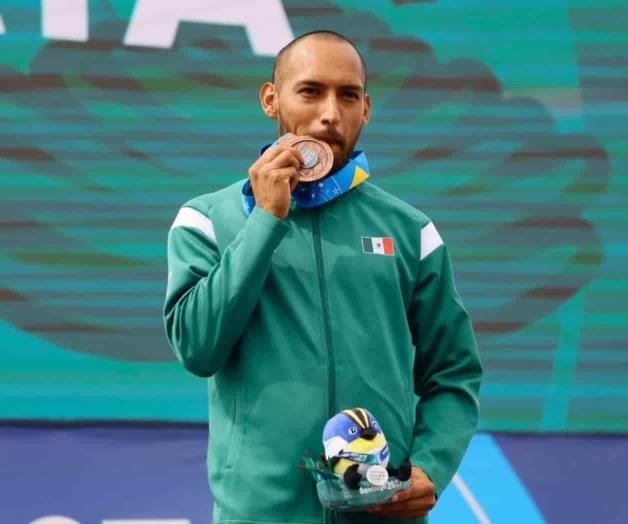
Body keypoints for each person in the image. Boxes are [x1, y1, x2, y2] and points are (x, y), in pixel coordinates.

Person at [163, 30, 483, 524]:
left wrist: (430, 467)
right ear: (271, 100)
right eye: (310, 91)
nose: (330, 113)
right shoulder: (206, 220)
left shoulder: (411, 231)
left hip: (383, 512)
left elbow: (454, 373)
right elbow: (197, 348)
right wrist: (265, 220)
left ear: (366, 109)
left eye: (348, 96)